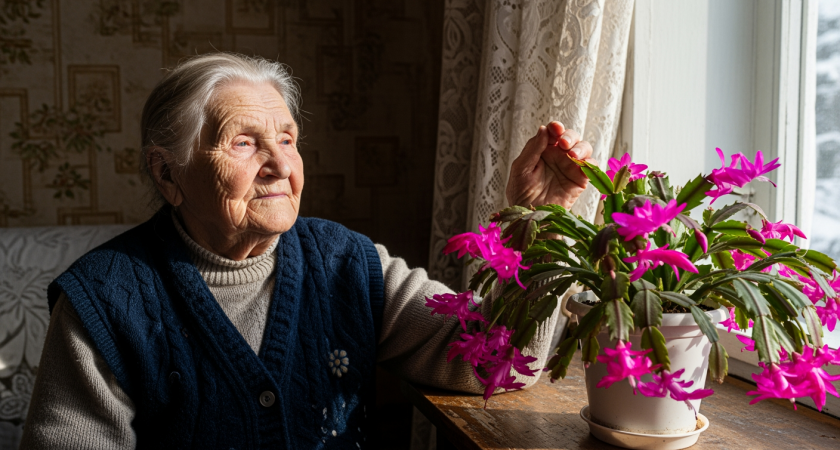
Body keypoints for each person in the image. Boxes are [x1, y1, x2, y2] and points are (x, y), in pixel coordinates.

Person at [19, 53, 594, 449]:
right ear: (168, 174)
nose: (279, 165)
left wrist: (542, 220)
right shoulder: (105, 299)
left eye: (288, 139)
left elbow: (494, 361)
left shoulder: (344, 261)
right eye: (244, 142)